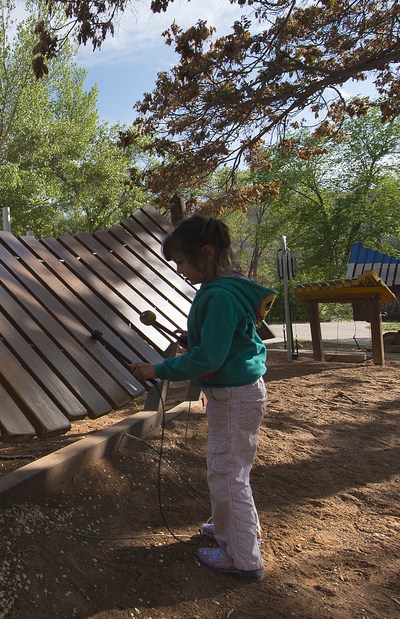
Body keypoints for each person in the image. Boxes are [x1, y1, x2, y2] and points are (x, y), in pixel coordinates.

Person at [129, 214, 277, 580]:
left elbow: (209, 359)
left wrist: (158, 369)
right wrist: (193, 338)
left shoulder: (220, 296)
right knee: (232, 470)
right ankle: (236, 529)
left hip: (233, 397)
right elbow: (226, 342)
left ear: (207, 253)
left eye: (181, 261)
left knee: (227, 473)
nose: (179, 269)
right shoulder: (229, 287)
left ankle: (243, 557)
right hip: (240, 393)